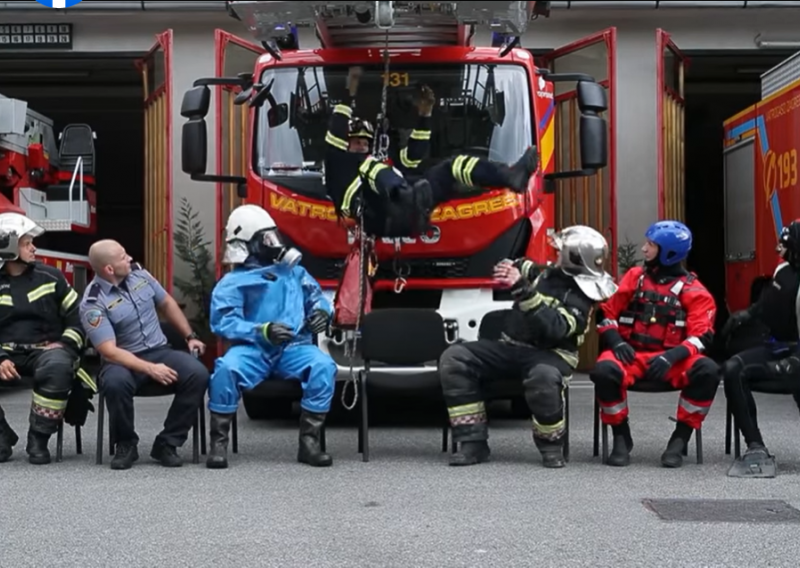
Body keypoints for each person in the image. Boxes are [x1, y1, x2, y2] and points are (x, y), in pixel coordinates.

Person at [439, 225, 618, 468]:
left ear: (572, 258)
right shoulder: (548, 274)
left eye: (560, 251)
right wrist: (506, 264)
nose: (555, 254)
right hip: (512, 347)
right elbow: (523, 266)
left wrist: (521, 289)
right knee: (455, 358)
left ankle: (551, 445)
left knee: (543, 377)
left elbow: (554, 328)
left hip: (552, 354)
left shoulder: (583, 296)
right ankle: (473, 443)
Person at [324, 66, 539, 239]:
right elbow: (337, 127)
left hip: (408, 207)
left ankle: (509, 176)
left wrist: (425, 115)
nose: (361, 146)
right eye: (356, 142)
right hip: (370, 214)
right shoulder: (339, 160)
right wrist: (348, 92)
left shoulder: (378, 158)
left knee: (453, 166)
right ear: (345, 143)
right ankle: (407, 197)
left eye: (365, 142)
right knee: (371, 168)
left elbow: (411, 160)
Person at [206, 204, 337, 469]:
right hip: (252, 349)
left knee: (324, 366)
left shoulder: (295, 273)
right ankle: (218, 443)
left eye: (273, 236)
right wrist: (262, 331)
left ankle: (309, 443)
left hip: (294, 348)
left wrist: (324, 313)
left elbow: (319, 299)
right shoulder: (232, 283)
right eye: (265, 239)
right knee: (225, 369)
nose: (274, 244)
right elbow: (223, 322)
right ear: (247, 244)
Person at [590, 220, 720, 468]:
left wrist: (670, 357)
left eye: (650, 245)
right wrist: (616, 343)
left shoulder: (695, 291)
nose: (644, 249)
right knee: (603, 370)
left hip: (674, 360)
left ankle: (680, 439)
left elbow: (701, 336)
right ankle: (620, 435)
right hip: (632, 356)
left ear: (668, 253)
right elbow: (605, 313)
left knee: (708, 371)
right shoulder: (634, 277)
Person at [79, 239, 209, 470]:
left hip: (159, 350)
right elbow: (109, 351)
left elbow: (166, 302)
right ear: (109, 269)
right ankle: (126, 443)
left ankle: (167, 443)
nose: (129, 258)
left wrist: (190, 337)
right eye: (122, 256)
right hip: (122, 360)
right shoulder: (92, 302)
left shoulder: (140, 274)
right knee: (115, 383)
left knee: (197, 373)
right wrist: (150, 368)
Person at [0, 213, 88, 464]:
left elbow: (78, 317)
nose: (34, 248)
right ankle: (2, 436)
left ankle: (38, 438)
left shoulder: (51, 277)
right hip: (6, 354)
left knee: (58, 366)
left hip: (47, 352)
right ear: (7, 246)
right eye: (27, 243)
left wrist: (66, 344)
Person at [721, 220, 800, 478]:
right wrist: (746, 315)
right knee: (733, 368)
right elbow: (769, 304)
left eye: (785, 246)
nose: (780, 251)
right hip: (778, 347)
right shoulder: (784, 272)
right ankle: (755, 446)